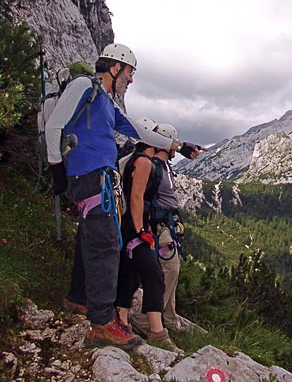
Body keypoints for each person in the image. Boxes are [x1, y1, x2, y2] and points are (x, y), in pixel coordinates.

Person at [45, 43, 200, 349]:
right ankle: (101, 324)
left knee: (91, 237)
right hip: (89, 175)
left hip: (96, 177)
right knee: (106, 245)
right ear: (115, 67)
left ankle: (79, 299)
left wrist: (177, 146)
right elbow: (54, 126)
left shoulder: (104, 101)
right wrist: (56, 168)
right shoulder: (83, 86)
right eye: (129, 72)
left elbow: (138, 132)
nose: (130, 80)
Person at [115, 117, 183, 353]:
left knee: (130, 276)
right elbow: (136, 198)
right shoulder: (144, 163)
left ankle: (122, 322)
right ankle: (156, 332)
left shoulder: (132, 159)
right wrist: (142, 230)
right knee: (155, 276)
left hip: (130, 226)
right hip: (137, 228)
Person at [132, 123, 186, 336]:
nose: (174, 149)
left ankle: (169, 317)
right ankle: (147, 318)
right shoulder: (153, 166)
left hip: (167, 225)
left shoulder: (164, 167)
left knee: (172, 268)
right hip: (159, 227)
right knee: (169, 268)